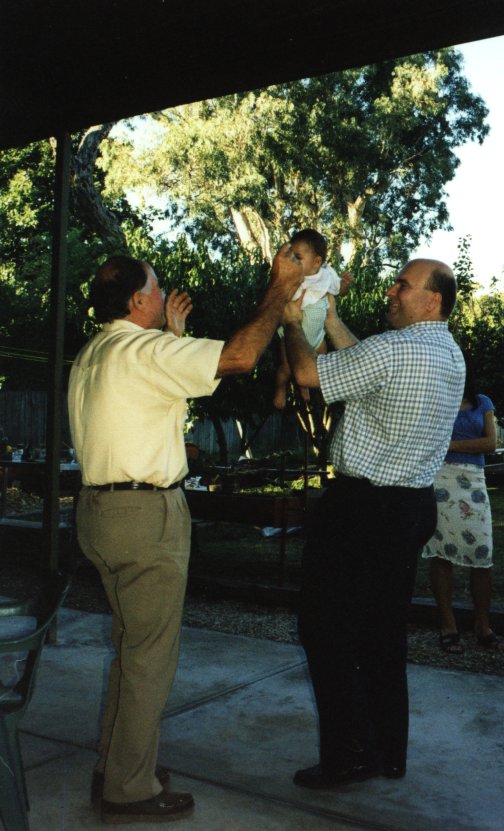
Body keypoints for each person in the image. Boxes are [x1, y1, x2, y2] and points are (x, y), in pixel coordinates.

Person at [68, 248, 302, 824]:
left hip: (100, 514)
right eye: (156, 286)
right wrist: (279, 289)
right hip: (144, 517)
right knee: (150, 658)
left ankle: (116, 764)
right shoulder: (145, 352)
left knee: (132, 649)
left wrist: (172, 336)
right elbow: (241, 356)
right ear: (138, 300)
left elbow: (164, 391)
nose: (163, 291)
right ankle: (128, 790)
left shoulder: (98, 352)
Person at [281, 258, 465, 789]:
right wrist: (333, 321)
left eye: (403, 284)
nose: (391, 290)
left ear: (432, 299)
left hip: (362, 509)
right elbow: (369, 366)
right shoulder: (446, 352)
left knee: (326, 629)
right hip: (409, 509)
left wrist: (293, 325)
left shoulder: (394, 349)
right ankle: (388, 751)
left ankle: (349, 755)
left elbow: (307, 374)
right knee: (383, 633)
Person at [421, 357, 504, 653]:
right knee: (441, 555)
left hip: (473, 484)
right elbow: (425, 442)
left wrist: (450, 445)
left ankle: (483, 627)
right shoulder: (435, 401)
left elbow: (491, 443)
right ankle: (449, 626)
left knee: (482, 555)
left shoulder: (483, 402)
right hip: (439, 482)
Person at [273, 229, 352, 409]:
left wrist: (345, 285)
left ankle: (305, 386)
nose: (292, 261)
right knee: (286, 368)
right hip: (292, 334)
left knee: (320, 365)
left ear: (316, 262)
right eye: (290, 256)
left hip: (317, 336)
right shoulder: (291, 277)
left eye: (298, 257)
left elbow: (338, 290)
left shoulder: (327, 275)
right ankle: (280, 388)